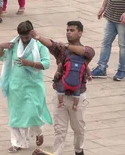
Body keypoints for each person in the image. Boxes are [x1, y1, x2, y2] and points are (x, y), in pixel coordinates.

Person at [32, 23, 94, 155]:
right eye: (67, 30)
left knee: (79, 128)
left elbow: (85, 52)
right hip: (60, 94)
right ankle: (57, 153)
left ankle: (78, 150)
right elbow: (51, 44)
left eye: (72, 30)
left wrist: (66, 46)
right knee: (59, 129)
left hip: (78, 96)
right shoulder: (60, 50)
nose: (68, 33)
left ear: (80, 33)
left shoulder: (87, 51)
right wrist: (38, 37)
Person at [0, 21, 52, 153]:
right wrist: (0, 47)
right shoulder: (14, 44)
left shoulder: (40, 45)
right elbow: (1, 58)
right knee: (15, 115)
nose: (25, 39)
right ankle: (17, 142)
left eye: (27, 36)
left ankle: (38, 131)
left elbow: (46, 64)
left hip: (34, 84)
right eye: (22, 37)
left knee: (33, 112)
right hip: (16, 85)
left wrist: (30, 63)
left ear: (32, 33)